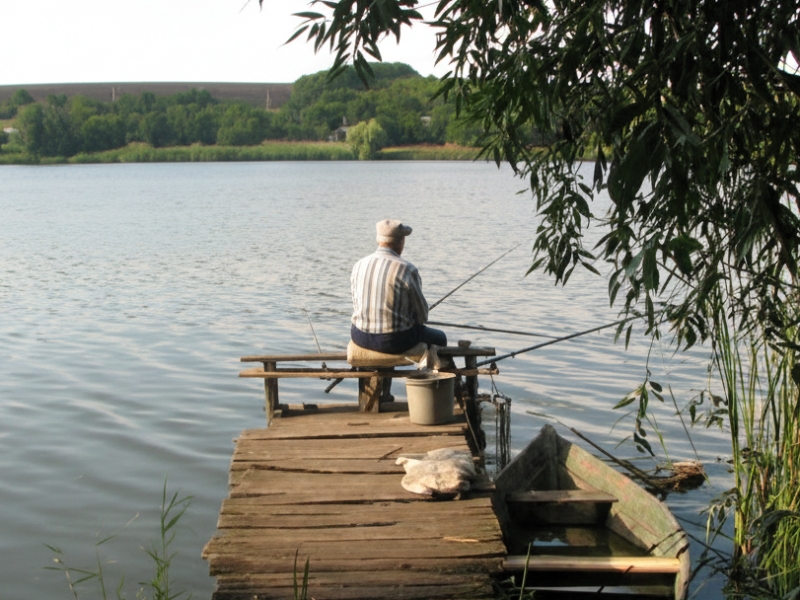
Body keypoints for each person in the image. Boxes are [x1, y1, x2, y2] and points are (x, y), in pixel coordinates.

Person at [351, 219, 447, 354]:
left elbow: (356, 304)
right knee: (440, 337)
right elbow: (422, 317)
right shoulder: (406, 269)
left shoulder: (359, 265)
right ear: (402, 241)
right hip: (393, 341)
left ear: (378, 239)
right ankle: (435, 368)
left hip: (359, 335)